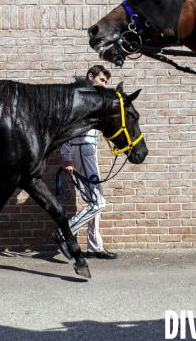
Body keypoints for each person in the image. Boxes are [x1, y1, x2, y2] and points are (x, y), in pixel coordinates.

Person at [52, 65, 118, 260]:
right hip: (81, 150)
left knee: (95, 201)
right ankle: (64, 232)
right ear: (91, 77)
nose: (104, 85)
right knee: (98, 202)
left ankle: (94, 247)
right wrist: (66, 156)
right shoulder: (80, 98)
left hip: (88, 151)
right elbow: (66, 127)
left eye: (106, 82)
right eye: (101, 80)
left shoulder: (92, 100)